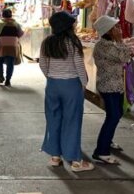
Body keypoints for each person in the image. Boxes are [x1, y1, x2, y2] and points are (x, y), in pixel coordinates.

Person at [39, 11, 94, 173]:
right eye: (73, 23)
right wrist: (84, 84)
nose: (75, 25)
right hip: (71, 85)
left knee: (53, 119)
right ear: (67, 26)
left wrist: (51, 77)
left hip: (52, 85)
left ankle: (55, 156)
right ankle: (75, 161)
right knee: (72, 121)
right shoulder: (72, 42)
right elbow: (79, 65)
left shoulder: (47, 42)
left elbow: (42, 64)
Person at [92, 15, 131, 165]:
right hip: (109, 87)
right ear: (108, 31)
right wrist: (121, 40)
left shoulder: (109, 44)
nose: (119, 29)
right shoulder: (105, 46)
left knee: (116, 113)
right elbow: (124, 57)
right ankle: (101, 151)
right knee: (113, 116)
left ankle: (107, 140)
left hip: (115, 85)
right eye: (115, 27)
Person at [0, 9, 24, 86]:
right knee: (10, 63)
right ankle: (8, 80)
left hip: (2, 45)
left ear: (2, 15)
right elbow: (20, 33)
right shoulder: (16, 23)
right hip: (13, 46)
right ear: (11, 15)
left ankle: (1, 76)